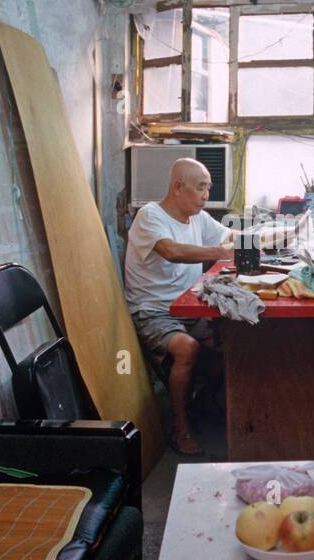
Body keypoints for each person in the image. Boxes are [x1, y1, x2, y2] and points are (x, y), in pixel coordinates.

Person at [124, 158, 300, 456]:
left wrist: (281, 234)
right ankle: (180, 429)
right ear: (178, 187)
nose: (206, 195)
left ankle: (203, 402)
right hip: (154, 309)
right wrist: (223, 251)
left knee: (234, 341)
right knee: (187, 348)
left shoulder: (198, 218)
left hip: (189, 304)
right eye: (201, 187)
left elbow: (233, 238)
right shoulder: (150, 215)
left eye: (209, 187)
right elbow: (173, 251)